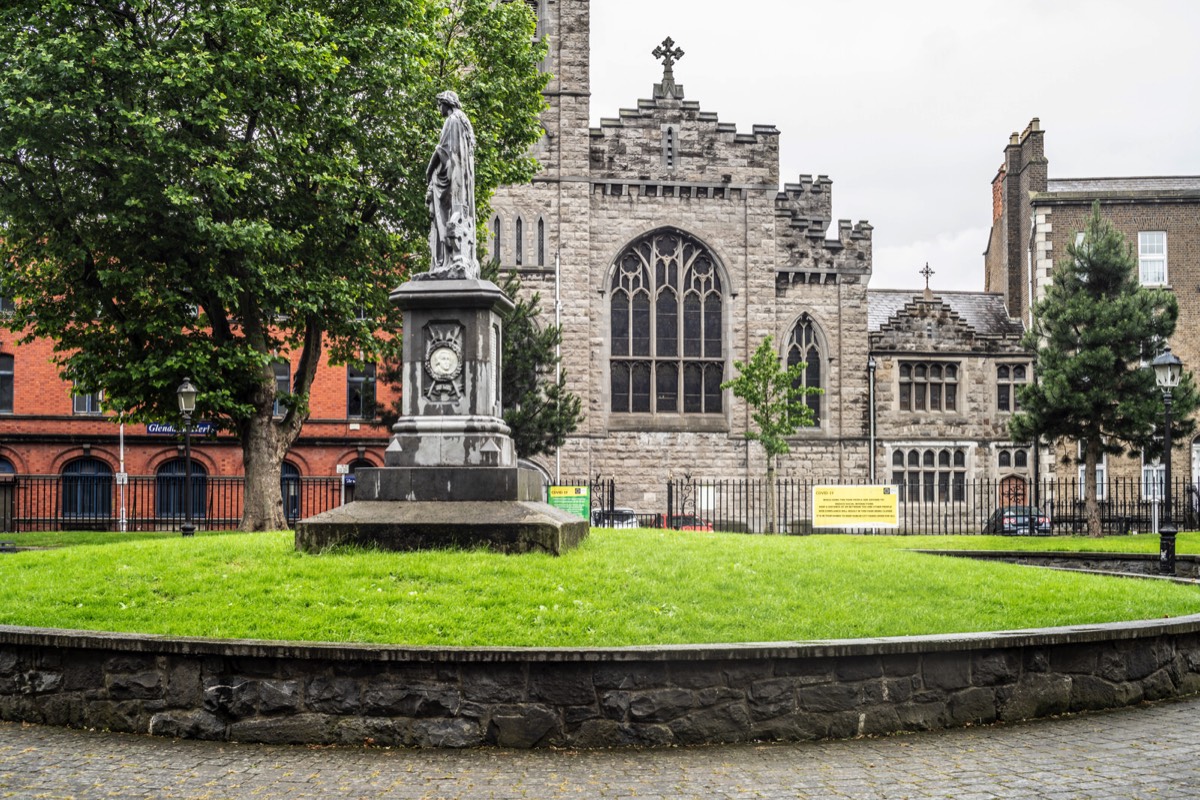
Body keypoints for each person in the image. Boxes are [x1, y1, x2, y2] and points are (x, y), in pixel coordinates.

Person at [423, 90, 478, 280]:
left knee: (444, 216)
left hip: (451, 179)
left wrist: (430, 171)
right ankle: (456, 258)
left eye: (440, 104)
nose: (439, 108)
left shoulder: (452, 120)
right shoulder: (464, 122)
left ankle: (445, 260)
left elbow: (442, 150)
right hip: (461, 181)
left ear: (447, 103)